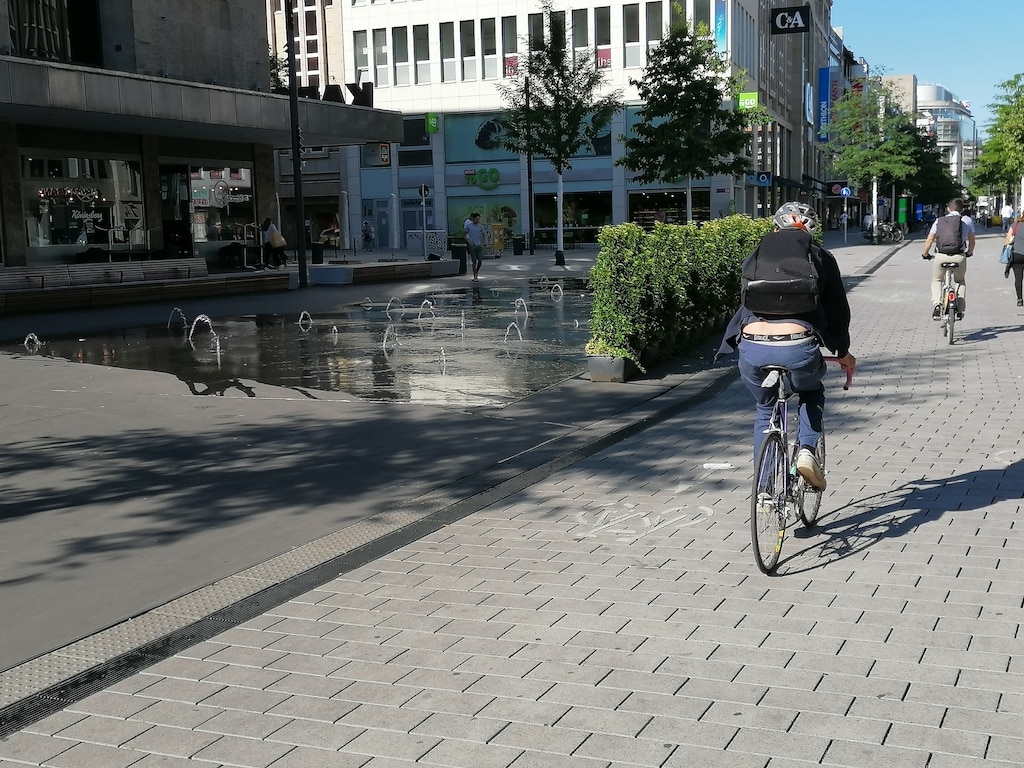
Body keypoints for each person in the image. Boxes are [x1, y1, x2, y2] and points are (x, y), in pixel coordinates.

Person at [719, 202, 856, 491]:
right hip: (798, 347)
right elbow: (838, 311)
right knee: (811, 389)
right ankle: (806, 450)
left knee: (765, 406)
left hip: (752, 347)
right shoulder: (821, 257)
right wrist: (842, 352)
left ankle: (765, 489)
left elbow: (744, 300)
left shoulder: (756, 255)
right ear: (810, 233)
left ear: (774, 229)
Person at [921, 198, 975, 320]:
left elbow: (930, 239)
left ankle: (937, 305)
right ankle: (960, 310)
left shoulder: (939, 221)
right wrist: (969, 253)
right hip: (959, 256)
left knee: (937, 280)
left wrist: (925, 254)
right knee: (960, 281)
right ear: (962, 210)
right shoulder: (967, 221)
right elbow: (972, 240)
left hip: (941, 256)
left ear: (948, 209)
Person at [1005, 216, 1024, 307]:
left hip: (1017, 255)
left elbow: (1007, 240)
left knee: (1018, 278)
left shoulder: (1015, 225)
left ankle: (1020, 299)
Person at [464, 212, 485, 281]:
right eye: (476, 219)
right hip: (472, 245)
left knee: (480, 261)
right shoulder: (469, 226)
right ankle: (475, 276)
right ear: (473, 219)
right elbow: (464, 235)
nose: (478, 220)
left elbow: (484, 235)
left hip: (479, 245)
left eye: (479, 219)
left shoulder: (480, 226)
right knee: (474, 261)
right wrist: (469, 242)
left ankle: (476, 272)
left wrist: (483, 243)